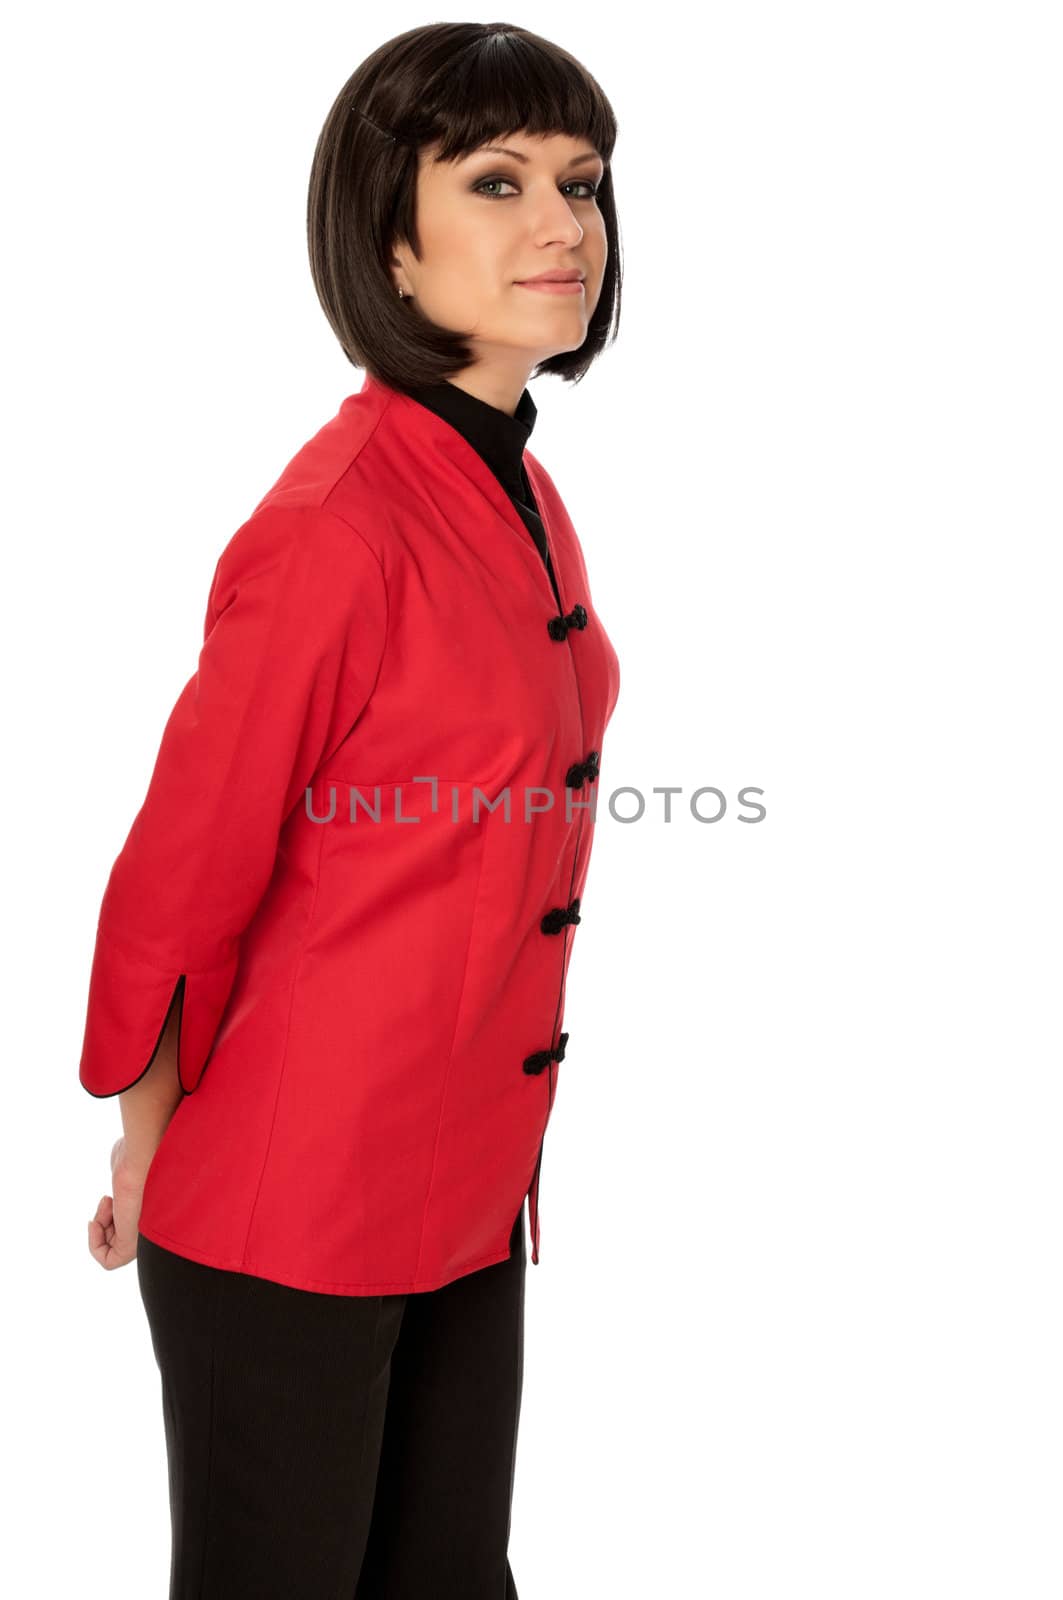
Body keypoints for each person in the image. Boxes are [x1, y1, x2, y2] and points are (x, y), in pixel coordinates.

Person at [80, 20, 623, 1598]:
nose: (562, 226)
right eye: (499, 181)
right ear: (393, 231)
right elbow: (185, 861)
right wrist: (145, 1134)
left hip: (466, 1186)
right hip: (290, 1210)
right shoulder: (336, 527)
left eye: (583, 185)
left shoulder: (511, 482)